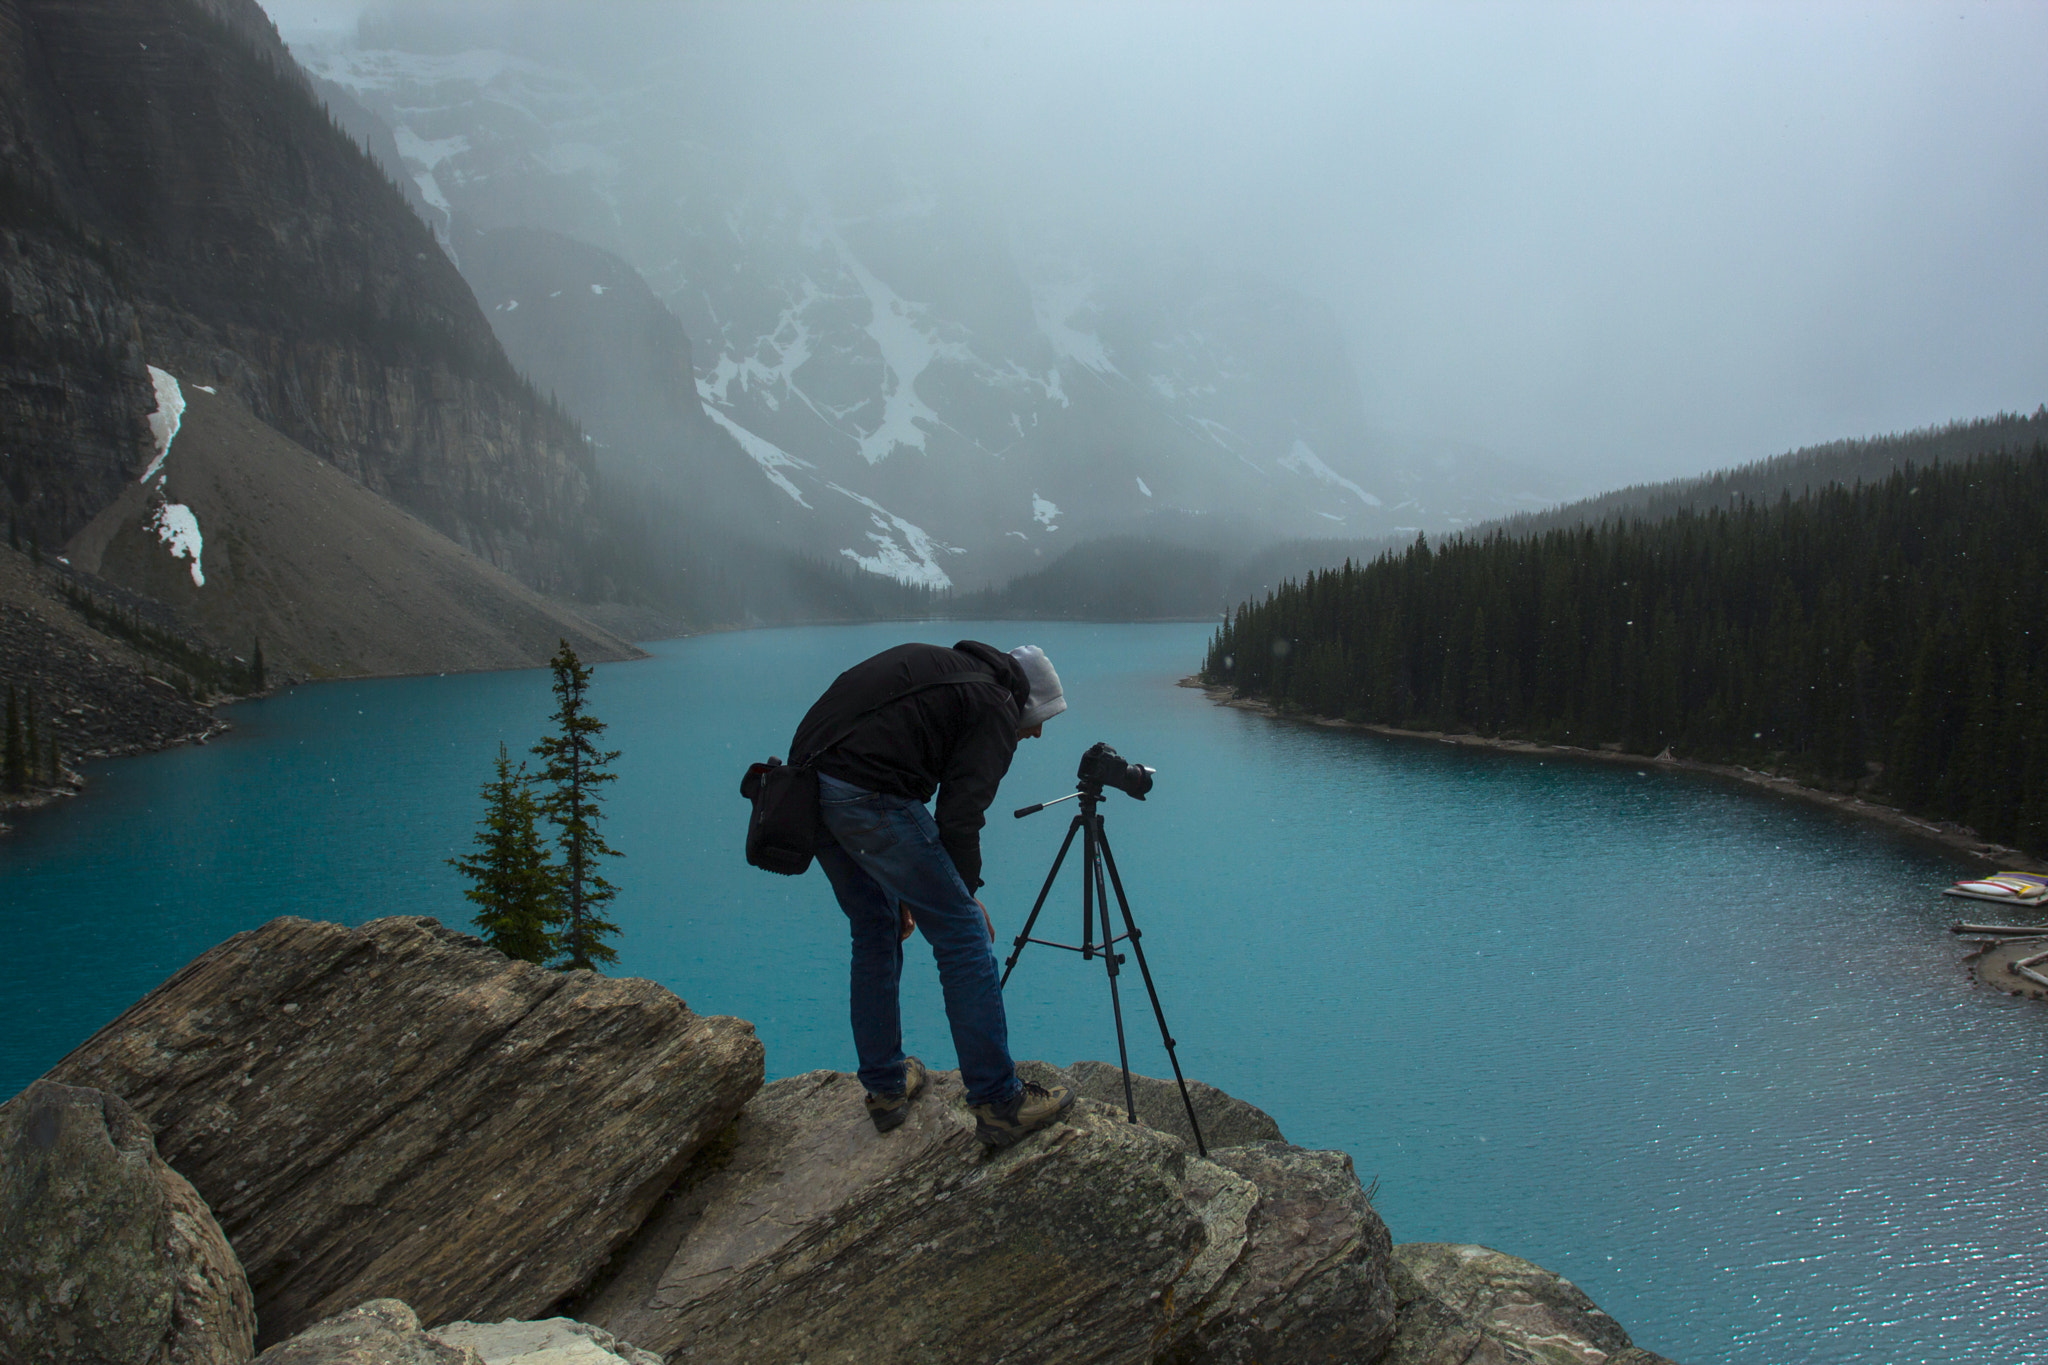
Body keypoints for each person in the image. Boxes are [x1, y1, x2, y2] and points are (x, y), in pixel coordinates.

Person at [790, 639, 1074, 1146]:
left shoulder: (954, 673)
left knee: (876, 925)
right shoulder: (993, 705)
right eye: (1040, 721)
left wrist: (909, 887)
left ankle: (886, 1086)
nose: (1034, 734)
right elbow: (960, 818)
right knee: (964, 934)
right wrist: (963, 896)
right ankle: (998, 1102)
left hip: (810, 789)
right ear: (1026, 702)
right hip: (866, 792)